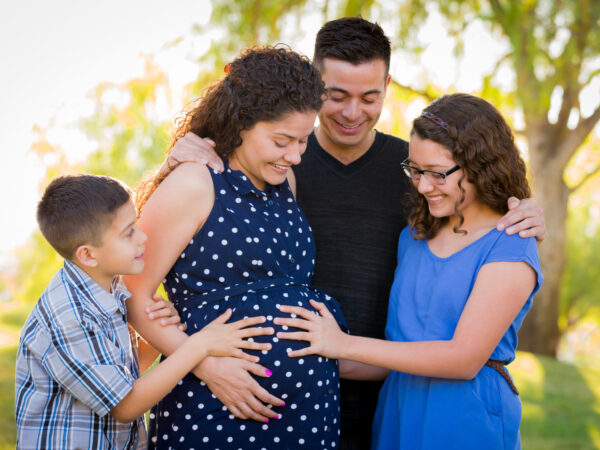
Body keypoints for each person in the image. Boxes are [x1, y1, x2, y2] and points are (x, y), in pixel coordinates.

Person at [166, 16, 547, 449]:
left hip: (388, 397)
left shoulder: (417, 170)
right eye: (336, 95)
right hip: (285, 399)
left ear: (387, 84)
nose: (352, 112)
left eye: (369, 97)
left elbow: (478, 223)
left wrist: (525, 209)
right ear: (314, 87)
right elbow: (197, 223)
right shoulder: (277, 160)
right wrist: (178, 158)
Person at [274, 93, 543, 449]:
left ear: (481, 166)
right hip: (396, 411)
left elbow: (462, 359)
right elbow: (398, 355)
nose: (422, 185)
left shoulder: (511, 243)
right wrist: (305, 353)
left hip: (464, 417)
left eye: (436, 173)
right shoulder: (414, 237)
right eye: (415, 170)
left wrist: (343, 342)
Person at [124, 46, 347, 449]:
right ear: (242, 122)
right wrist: (207, 366)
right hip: (215, 405)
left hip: (305, 412)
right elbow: (132, 295)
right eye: (282, 141)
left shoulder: (284, 185)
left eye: (302, 141)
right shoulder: (195, 182)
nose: (295, 156)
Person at [15, 174, 272, 449]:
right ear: (88, 255)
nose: (143, 237)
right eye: (129, 233)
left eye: (136, 223)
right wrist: (199, 346)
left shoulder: (107, 287)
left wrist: (154, 340)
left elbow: (122, 372)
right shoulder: (68, 316)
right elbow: (125, 405)